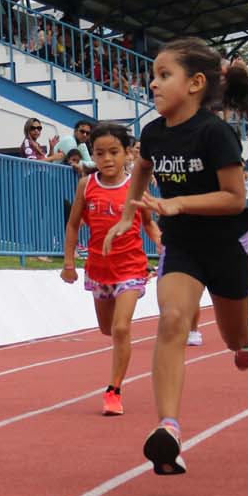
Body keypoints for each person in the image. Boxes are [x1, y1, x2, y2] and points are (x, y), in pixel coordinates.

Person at [103, 37, 248, 476]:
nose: (153, 84)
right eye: (152, 76)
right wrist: (128, 216)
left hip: (227, 245)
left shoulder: (215, 133)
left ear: (195, 83)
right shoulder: (154, 133)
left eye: (164, 75)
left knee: (234, 340)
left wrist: (178, 203)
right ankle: (169, 429)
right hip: (183, 245)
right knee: (172, 320)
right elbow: (142, 168)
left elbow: (234, 198)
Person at [61, 122, 158, 417]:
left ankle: (113, 390)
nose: (107, 159)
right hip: (98, 269)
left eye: (114, 152)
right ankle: (118, 360)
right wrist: (68, 263)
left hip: (131, 267)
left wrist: (163, 244)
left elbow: (149, 224)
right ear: (92, 155)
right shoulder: (86, 185)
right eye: (100, 153)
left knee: (121, 328)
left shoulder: (135, 187)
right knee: (107, 328)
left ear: (128, 153)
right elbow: (73, 225)